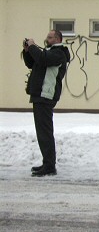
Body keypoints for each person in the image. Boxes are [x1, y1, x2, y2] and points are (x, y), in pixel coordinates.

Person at [22, 30, 70, 177]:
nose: (46, 39)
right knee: (42, 132)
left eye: (49, 37)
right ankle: (47, 163)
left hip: (46, 96)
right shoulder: (49, 52)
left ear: (57, 39)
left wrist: (32, 46)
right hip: (39, 95)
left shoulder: (60, 53)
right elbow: (32, 63)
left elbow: (42, 59)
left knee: (45, 133)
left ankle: (49, 166)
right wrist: (27, 51)